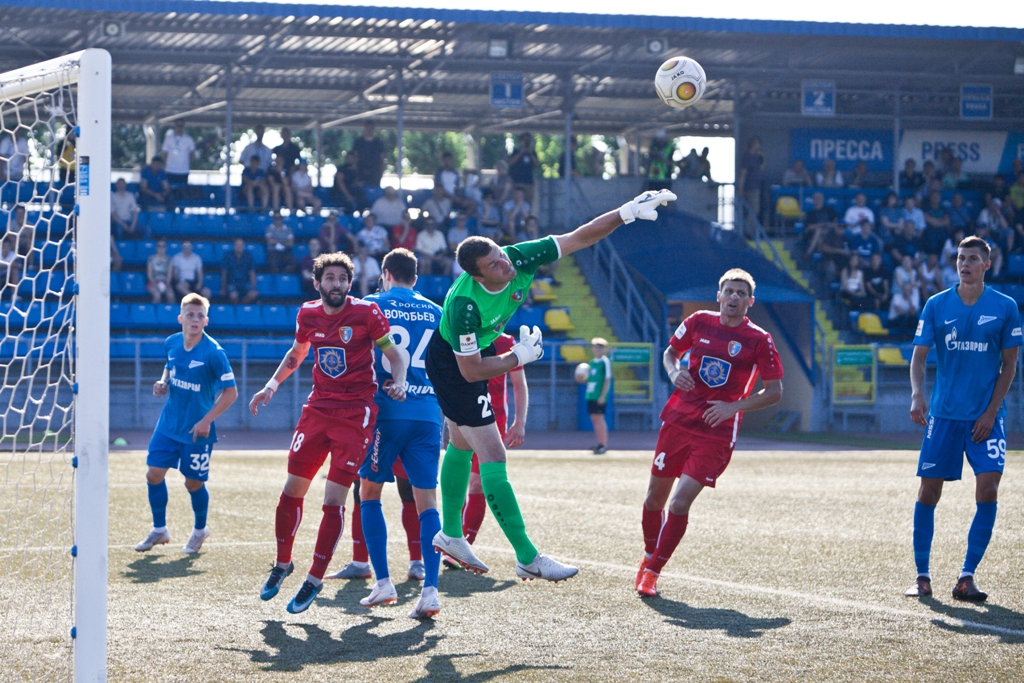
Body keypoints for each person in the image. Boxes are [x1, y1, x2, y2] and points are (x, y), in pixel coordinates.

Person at [425, 188, 676, 583]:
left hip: (474, 354)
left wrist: (625, 211)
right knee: (493, 456)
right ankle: (527, 556)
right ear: (477, 275)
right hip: (452, 364)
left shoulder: (519, 255)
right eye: (494, 264)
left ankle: (452, 534)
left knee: (459, 444)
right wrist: (518, 358)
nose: (505, 263)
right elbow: (471, 371)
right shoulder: (464, 306)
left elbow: (580, 237)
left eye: (502, 253)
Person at [249, 251, 408, 614]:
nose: (336, 284)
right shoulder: (307, 314)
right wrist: (271, 385)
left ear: (349, 284)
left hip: (356, 414)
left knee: (333, 499)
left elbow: (395, 356)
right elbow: (297, 352)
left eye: (342, 279)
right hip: (318, 410)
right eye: (330, 278)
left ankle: (315, 579)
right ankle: (283, 563)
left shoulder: (367, 313)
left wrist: (399, 382)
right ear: (318, 282)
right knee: (291, 491)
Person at [637, 268, 784, 597]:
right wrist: (674, 373)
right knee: (653, 500)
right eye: (729, 291)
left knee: (678, 504)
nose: (734, 297)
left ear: (750, 301)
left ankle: (653, 571)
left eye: (740, 293)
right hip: (677, 420)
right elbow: (669, 354)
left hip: (716, 431)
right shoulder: (698, 321)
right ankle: (648, 554)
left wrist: (733, 407)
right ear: (718, 296)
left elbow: (774, 392)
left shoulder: (759, 339)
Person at [905, 236, 1021, 602]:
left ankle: (966, 578)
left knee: (987, 490)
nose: (965, 264)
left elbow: (1010, 365)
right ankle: (922, 576)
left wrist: (990, 412)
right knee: (929, 492)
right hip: (944, 415)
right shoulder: (936, 305)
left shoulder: (1005, 307)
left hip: (987, 419)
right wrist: (917, 393)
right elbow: (919, 357)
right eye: (960, 258)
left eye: (972, 258)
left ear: (987, 264)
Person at [345, 248, 446, 618]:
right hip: (428, 414)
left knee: (369, 491)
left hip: (386, 410)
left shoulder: (371, 305)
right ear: (415, 278)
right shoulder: (436, 311)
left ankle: (384, 583)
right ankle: (430, 591)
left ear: (385, 274)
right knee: (427, 503)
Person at [133, 293, 238, 555]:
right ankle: (160, 530)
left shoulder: (214, 353)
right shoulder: (171, 343)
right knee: (153, 475)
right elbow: (170, 367)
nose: (195, 319)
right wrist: (163, 383)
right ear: (181, 318)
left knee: (192, 483)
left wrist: (206, 420)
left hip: (196, 431)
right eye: (190, 315)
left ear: (206, 321)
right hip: (168, 425)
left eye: (200, 316)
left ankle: (200, 531)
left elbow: (231, 393)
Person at [442, 331, 528, 568]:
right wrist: (448, 420)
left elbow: (519, 385)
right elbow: (449, 380)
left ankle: (464, 545)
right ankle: (452, 536)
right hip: (462, 416)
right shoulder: (459, 336)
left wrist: (519, 422)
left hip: (493, 422)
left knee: (477, 484)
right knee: (461, 478)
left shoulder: (506, 342)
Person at [586, 338, 613, 454]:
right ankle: (599, 443)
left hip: (599, 395)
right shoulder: (591, 363)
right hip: (591, 394)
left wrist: (603, 395)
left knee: (599, 419)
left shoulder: (604, 362)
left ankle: (603, 444)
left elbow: (607, 379)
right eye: (596, 347)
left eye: (600, 347)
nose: (598, 350)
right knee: (594, 419)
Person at [221, 237, 258, 304]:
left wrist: (253, 288)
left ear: (244, 246)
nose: (239, 247)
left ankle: (242, 305)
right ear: (234, 246)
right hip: (232, 282)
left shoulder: (249, 256)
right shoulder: (227, 256)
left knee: (253, 294)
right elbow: (224, 273)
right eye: (237, 245)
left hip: (245, 282)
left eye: (241, 245)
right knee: (233, 296)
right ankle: (236, 309)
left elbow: (252, 273)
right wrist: (223, 287)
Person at [737, 137, 764, 229]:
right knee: (754, 210)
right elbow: (743, 173)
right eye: (757, 143)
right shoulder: (747, 157)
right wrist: (740, 188)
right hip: (750, 187)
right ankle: (747, 230)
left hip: (757, 186)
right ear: (753, 144)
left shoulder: (758, 157)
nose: (759, 145)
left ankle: (751, 230)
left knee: (756, 210)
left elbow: (760, 169)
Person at [161, 120, 195, 187]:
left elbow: (192, 154)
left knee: (182, 192)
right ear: (175, 126)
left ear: (184, 127)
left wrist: (184, 163)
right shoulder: (168, 139)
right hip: (170, 170)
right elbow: (164, 153)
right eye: (178, 126)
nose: (179, 128)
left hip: (183, 171)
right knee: (170, 192)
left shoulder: (189, 139)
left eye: (181, 126)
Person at [352, 122, 385, 189]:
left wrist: (381, 173)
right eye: (367, 128)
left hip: (375, 173)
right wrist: (355, 172)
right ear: (364, 129)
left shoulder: (379, 142)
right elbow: (354, 157)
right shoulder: (358, 142)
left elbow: (382, 159)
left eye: (371, 128)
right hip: (361, 172)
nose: (369, 130)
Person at [146, 239, 174, 304]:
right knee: (157, 295)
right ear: (156, 247)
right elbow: (149, 275)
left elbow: (169, 275)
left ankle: (170, 313)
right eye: (159, 246)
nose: (161, 248)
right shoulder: (151, 259)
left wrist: (165, 284)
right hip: (153, 282)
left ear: (166, 248)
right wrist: (156, 284)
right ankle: (154, 313)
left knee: (171, 296)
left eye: (163, 246)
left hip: (165, 282)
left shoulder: (169, 259)